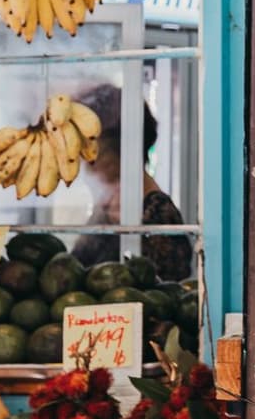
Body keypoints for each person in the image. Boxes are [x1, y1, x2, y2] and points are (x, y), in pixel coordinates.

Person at [70, 89, 193, 282]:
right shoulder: (108, 205)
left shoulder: (157, 213)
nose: (86, 161)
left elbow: (166, 293)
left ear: (122, 150)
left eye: (95, 153)